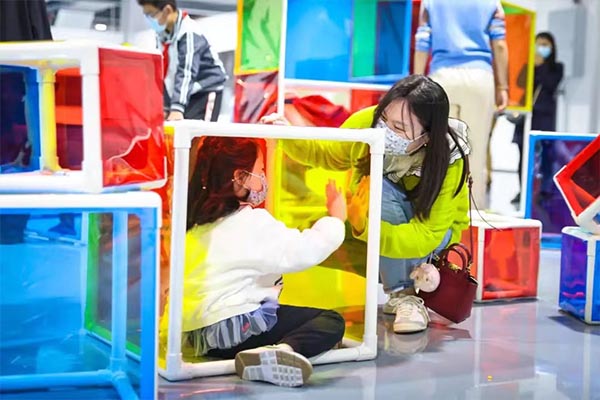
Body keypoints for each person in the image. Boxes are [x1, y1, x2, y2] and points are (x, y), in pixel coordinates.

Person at [263, 75, 471, 334]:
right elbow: (328, 153)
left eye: (399, 127)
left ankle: (405, 296)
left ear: (427, 135)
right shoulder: (367, 123)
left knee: (377, 188)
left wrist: (365, 228)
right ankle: (400, 289)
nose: (386, 131)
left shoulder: (449, 158)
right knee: (319, 232)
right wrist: (288, 135)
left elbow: (427, 234)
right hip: (377, 224)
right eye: (384, 118)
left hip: (431, 242)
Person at [160, 137, 347, 387]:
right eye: (260, 170)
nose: (264, 179)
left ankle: (269, 351)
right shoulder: (251, 222)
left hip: (198, 337)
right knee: (331, 321)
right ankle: (282, 352)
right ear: (240, 177)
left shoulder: (196, 222)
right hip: (237, 332)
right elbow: (303, 250)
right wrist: (336, 219)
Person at [413, 0, 508, 209]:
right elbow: (499, 44)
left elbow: (422, 42)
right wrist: (503, 86)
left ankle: (436, 209)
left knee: (439, 149)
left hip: (442, 78)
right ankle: (472, 212)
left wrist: (417, 83)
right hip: (479, 78)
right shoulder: (492, 3)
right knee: (476, 151)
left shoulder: (430, 3)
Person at [137, 0, 227, 121]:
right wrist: (165, 105)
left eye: (151, 14)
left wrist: (177, 107)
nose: (149, 20)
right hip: (185, 92)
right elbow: (163, 72)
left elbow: (186, 72)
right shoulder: (162, 35)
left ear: (167, 10)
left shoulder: (189, 31)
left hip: (205, 90)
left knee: (198, 132)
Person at [510, 32, 564, 204]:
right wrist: (531, 66)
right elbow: (520, 82)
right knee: (523, 155)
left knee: (546, 156)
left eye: (545, 44)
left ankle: (544, 191)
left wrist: (540, 66)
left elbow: (550, 84)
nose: (541, 48)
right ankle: (523, 191)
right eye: (538, 44)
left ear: (552, 47)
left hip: (544, 118)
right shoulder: (528, 65)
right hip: (527, 117)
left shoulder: (556, 67)